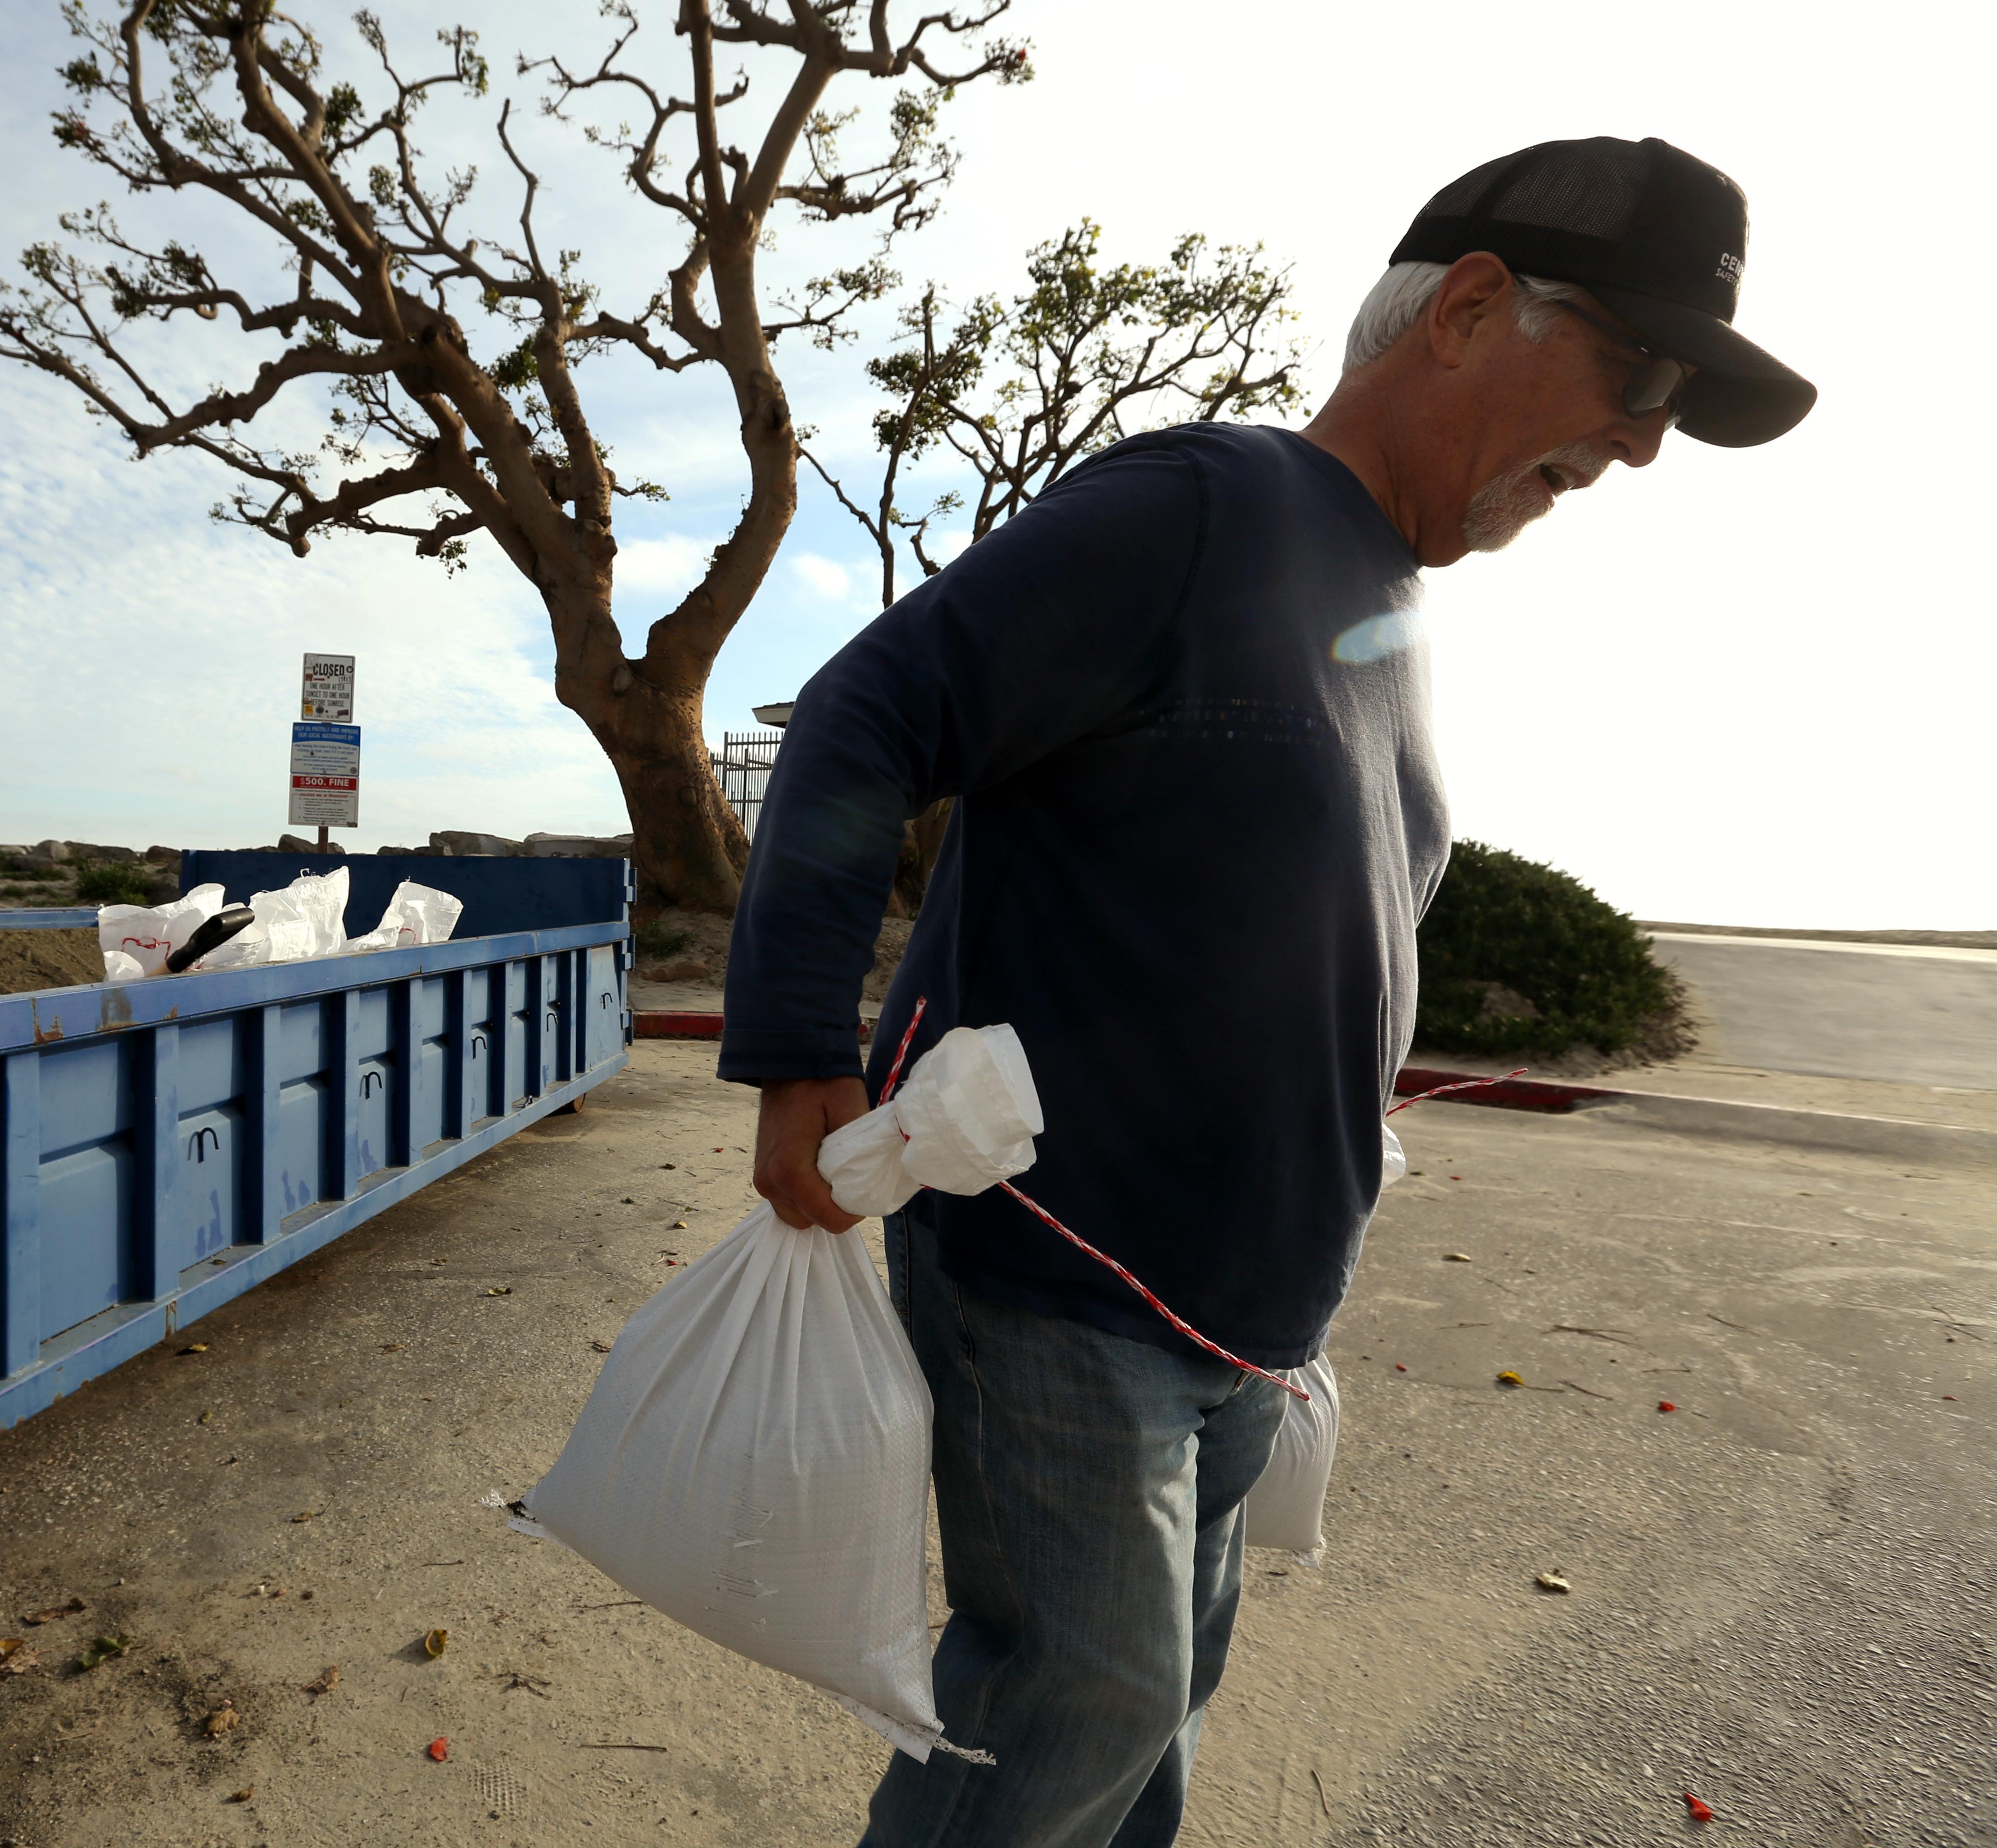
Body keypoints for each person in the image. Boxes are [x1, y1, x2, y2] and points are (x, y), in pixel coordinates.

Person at [723, 138, 1814, 1847]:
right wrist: (801, 1049)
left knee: (1149, 1731)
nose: (1642, 441)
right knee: (1072, 1712)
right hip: (1065, 1277)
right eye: (1638, 372)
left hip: (1246, 1321)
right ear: (1469, 308)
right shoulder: (1204, 511)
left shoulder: (1387, 604)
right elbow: (871, 712)